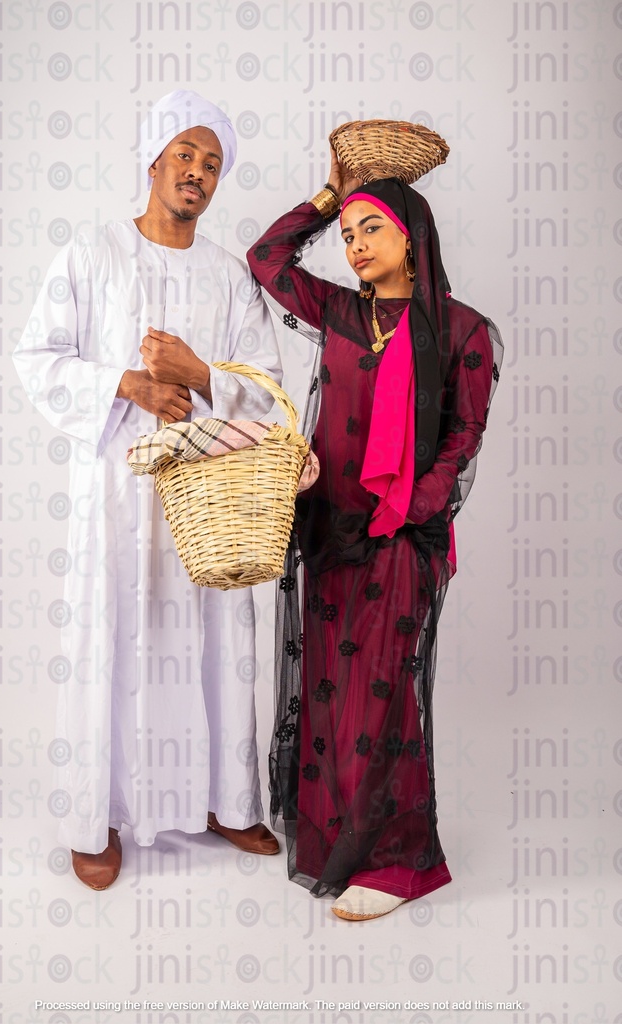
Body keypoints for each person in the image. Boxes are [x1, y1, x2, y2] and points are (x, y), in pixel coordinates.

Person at [13, 90, 282, 890]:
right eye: (186, 155)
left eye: (212, 163)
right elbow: (38, 358)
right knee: (116, 642)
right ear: (154, 158)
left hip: (206, 502)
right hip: (117, 503)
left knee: (215, 644)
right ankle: (99, 815)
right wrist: (130, 383)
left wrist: (196, 376)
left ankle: (225, 800)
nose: (197, 172)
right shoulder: (92, 255)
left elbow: (265, 389)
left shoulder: (230, 279)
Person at [247, 147, 502, 920]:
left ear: (411, 237)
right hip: (328, 532)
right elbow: (266, 258)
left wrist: (409, 512)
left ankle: (397, 863)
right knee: (330, 699)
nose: (354, 245)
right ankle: (337, 845)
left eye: (369, 229)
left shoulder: (464, 332)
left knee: (383, 702)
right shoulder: (344, 313)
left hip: (402, 538)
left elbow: (462, 439)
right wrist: (331, 194)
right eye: (348, 233)